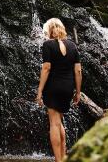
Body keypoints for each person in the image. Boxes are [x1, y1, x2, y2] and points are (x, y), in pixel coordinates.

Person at [36, 18, 82, 161]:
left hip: (53, 87)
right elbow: (78, 71)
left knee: (54, 123)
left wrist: (39, 91)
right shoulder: (73, 46)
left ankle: (58, 159)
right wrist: (78, 92)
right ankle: (63, 157)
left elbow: (46, 67)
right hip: (67, 88)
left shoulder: (48, 45)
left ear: (49, 31)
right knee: (59, 121)